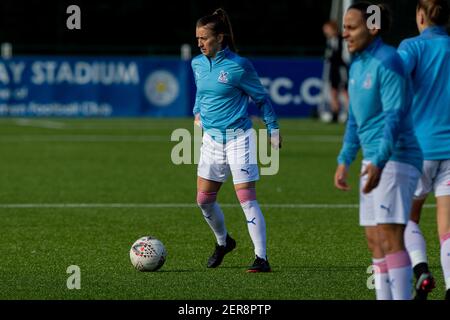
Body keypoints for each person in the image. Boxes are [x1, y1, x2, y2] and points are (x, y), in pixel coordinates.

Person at [334, 3, 423, 300]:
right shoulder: (357, 64)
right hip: (374, 160)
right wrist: (345, 160)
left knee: (390, 236)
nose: (344, 33)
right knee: (374, 239)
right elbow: (356, 119)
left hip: (396, 159)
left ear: (373, 27)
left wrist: (380, 161)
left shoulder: (389, 60)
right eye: (344, 27)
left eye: (351, 27)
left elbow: (394, 116)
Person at [192, 8, 282, 273]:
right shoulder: (197, 63)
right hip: (211, 140)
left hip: (238, 138)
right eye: (197, 38)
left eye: (205, 38)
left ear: (220, 38)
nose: (199, 43)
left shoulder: (239, 66)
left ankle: (261, 258)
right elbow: (201, 91)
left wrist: (273, 129)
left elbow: (262, 99)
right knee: (204, 200)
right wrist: (197, 111)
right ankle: (224, 242)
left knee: (245, 197)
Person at [398, 0, 450, 300]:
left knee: (408, 219)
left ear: (420, 15)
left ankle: (421, 271)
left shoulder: (411, 46)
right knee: (447, 229)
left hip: (419, 149)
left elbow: (394, 83)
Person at [322, 20, 349, 123]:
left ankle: (350, 114)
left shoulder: (341, 39)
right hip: (333, 69)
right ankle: (335, 113)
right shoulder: (329, 40)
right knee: (333, 92)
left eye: (326, 29)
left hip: (340, 68)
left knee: (345, 91)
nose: (325, 31)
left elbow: (343, 56)